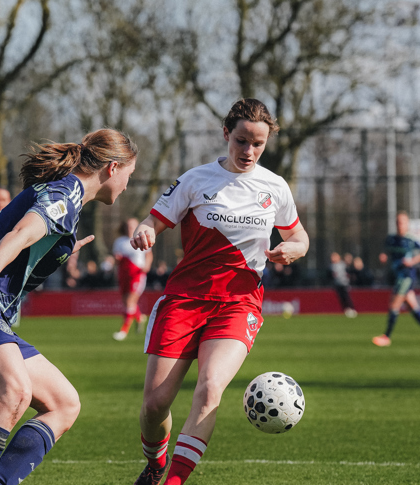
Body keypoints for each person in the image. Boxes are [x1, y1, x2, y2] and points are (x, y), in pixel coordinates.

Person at [0, 128, 137, 485]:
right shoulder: (67, 193)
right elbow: (23, 232)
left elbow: (29, 243)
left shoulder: (68, 199)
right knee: (14, 393)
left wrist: (57, 251)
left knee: (64, 404)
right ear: (113, 168)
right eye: (129, 177)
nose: (127, 186)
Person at [128, 99, 309, 485]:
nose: (248, 151)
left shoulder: (274, 186)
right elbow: (154, 220)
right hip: (184, 301)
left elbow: (299, 235)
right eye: (242, 140)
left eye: (257, 144)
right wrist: (146, 230)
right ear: (226, 134)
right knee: (155, 405)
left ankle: (174, 481)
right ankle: (155, 461)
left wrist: (293, 249)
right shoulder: (195, 180)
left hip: (238, 304)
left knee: (210, 389)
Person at [372, 211, 420, 348]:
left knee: (394, 304)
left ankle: (387, 336)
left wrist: (413, 260)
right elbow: (386, 253)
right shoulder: (391, 239)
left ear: (407, 224)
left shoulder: (411, 240)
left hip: (407, 277)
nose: (399, 225)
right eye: (397, 222)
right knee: (411, 306)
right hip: (398, 276)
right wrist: (383, 257)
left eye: (402, 222)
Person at [113, 217, 153, 341]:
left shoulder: (141, 238)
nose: (130, 228)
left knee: (130, 301)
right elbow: (116, 258)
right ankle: (139, 316)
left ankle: (123, 330)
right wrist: (117, 259)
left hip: (137, 273)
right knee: (126, 301)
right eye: (128, 225)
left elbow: (149, 255)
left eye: (133, 225)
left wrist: (147, 265)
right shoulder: (120, 241)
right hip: (124, 273)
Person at [327, 252, 356, 318]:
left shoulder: (343, 264)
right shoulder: (331, 266)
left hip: (344, 283)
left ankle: (351, 308)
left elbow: (349, 272)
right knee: (341, 298)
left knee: (346, 297)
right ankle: (346, 310)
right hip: (337, 284)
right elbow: (329, 275)